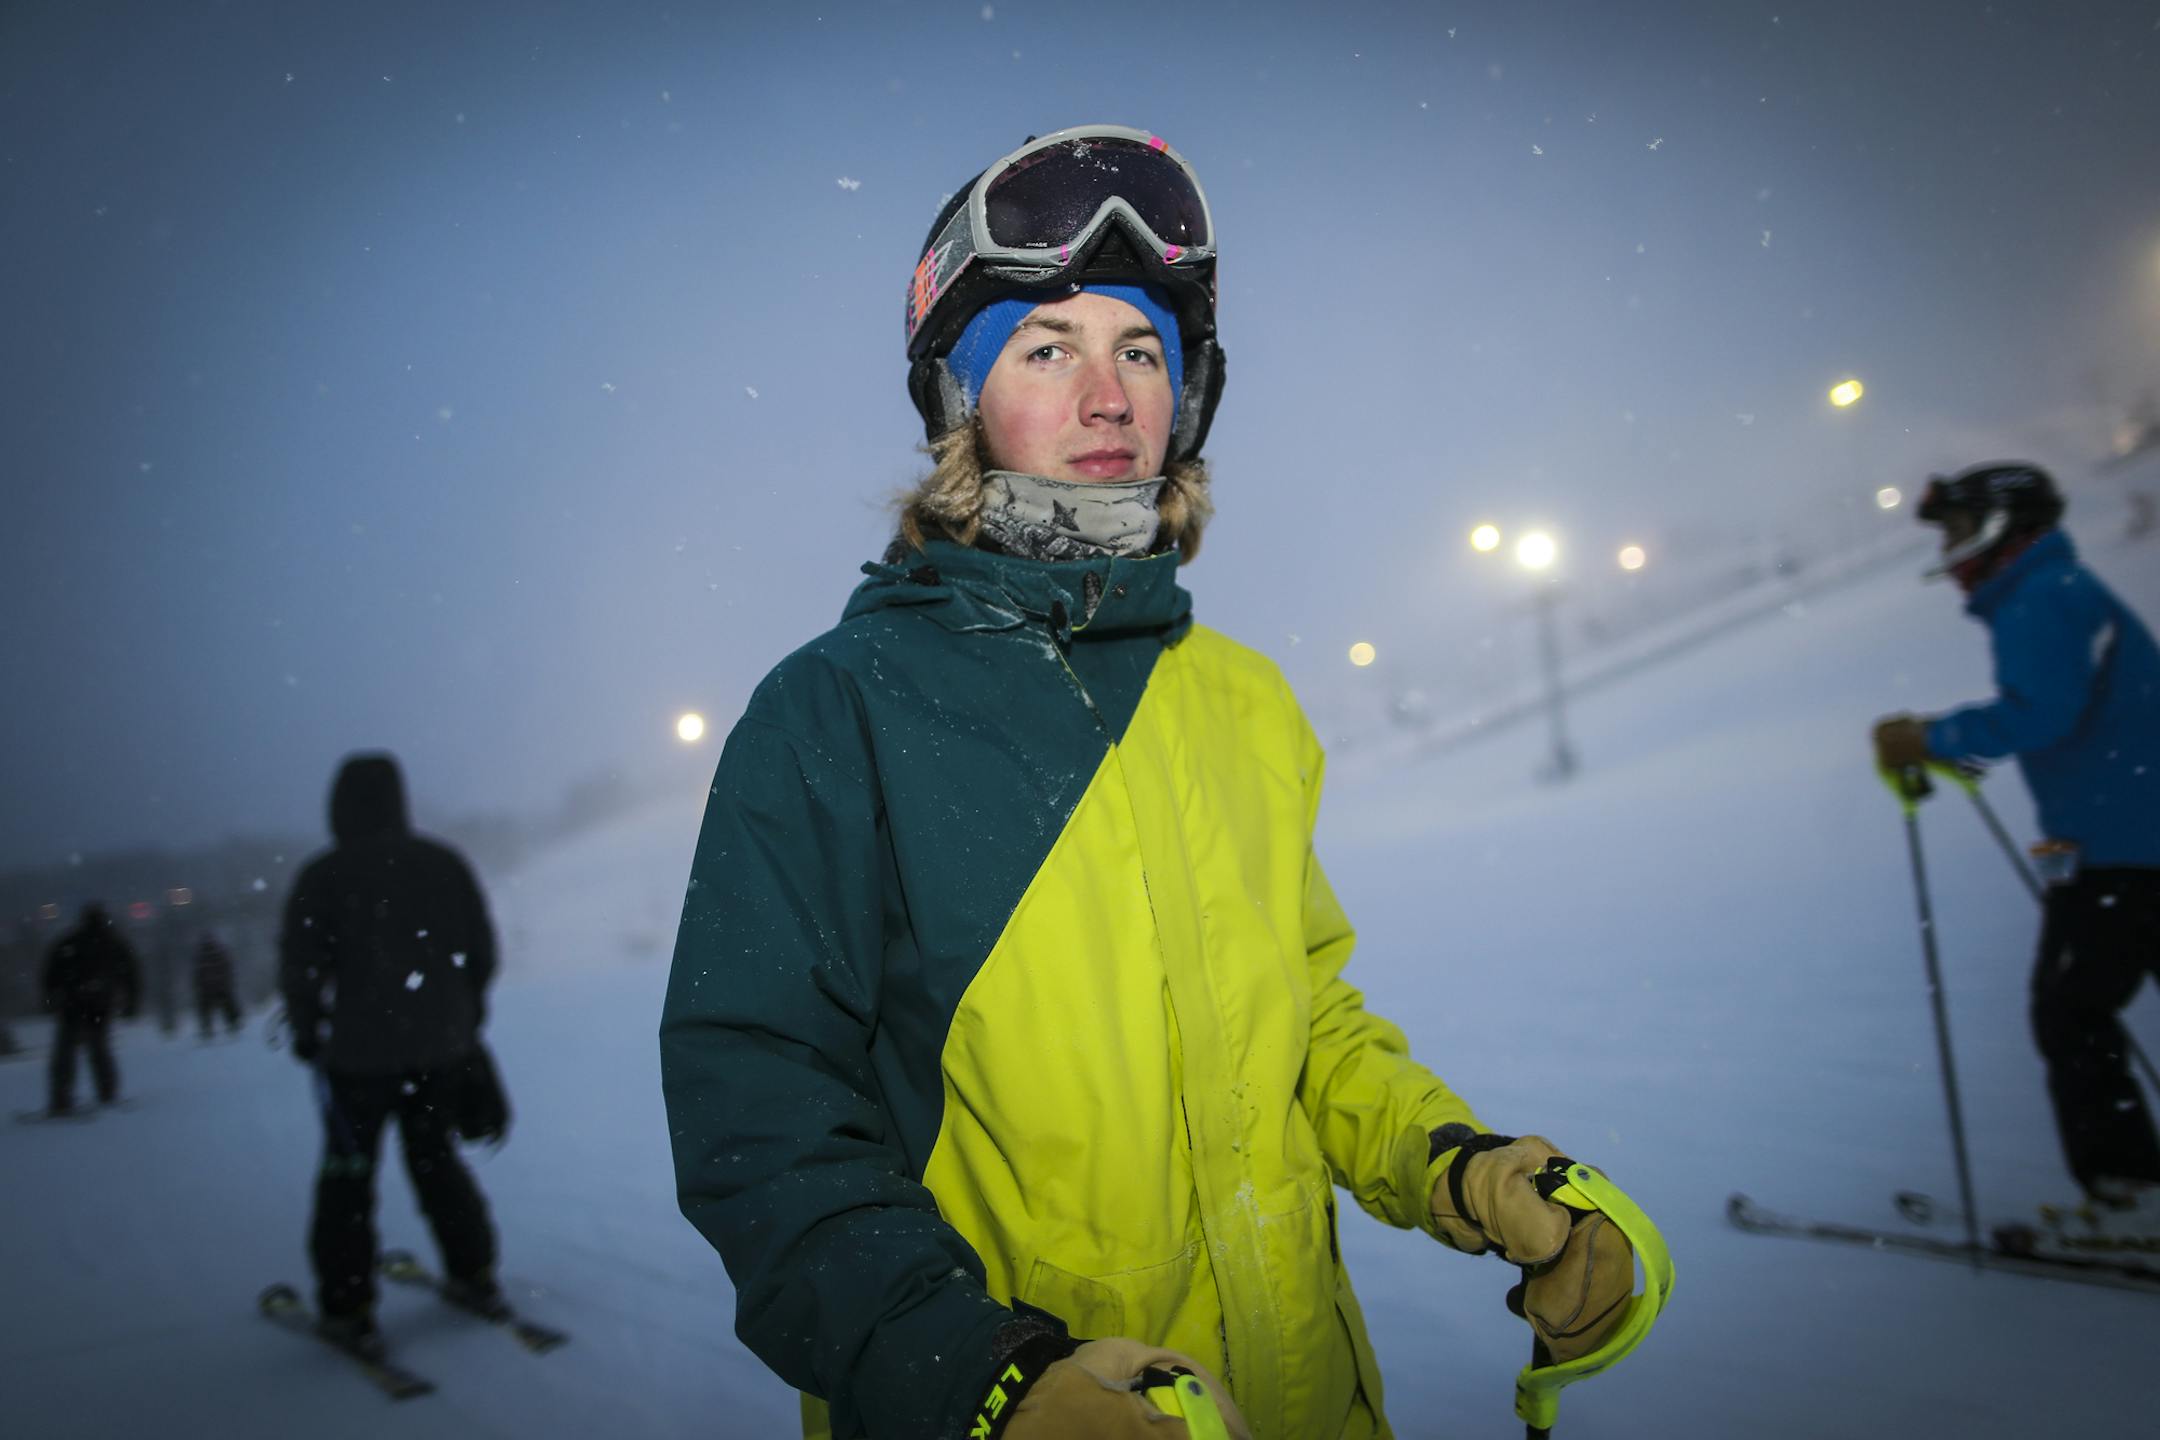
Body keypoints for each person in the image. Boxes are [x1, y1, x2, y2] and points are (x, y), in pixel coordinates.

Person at [661, 125, 1641, 1440]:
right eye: (1045, 348)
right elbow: (762, 1113)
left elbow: (1305, 1025)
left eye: (1141, 350)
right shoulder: (838, 710)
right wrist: (982, 1376)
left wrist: (1463, 1170)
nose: (1109, 396)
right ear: (961, 400)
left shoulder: (1241, 699)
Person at [1873, 461, 2160, 1211]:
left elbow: (2043, 713)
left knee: (2071, 1011)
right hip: (2129, 835)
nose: (1950, 550)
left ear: (2003, 527)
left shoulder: (2041, 597)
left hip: (2123, 849)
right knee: (2078, 1006)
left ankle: (2130, 1196)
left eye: (1959, 530)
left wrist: (1933, 737)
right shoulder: (2057, 589)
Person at [279, 752, 502, 1353]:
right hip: (439, 1052)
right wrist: (461, 1017)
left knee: (348, 1178)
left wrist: (308, 1029)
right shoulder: (443, 863)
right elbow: (481, 952)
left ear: (338, 806)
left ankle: (348, 1306)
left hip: (357, 1059)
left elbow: (300, 967)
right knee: (436, 1159)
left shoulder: (324, 876)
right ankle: (474, 1271)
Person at [40, 902, 141, 1114]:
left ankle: (61, 1097)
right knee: (98, 1049)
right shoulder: (113, 943)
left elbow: (51, 974)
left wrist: (49, 1000)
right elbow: (131, 975)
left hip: (73, 1004)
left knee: (66, 1051)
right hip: (98, 1005)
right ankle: (106, 1092)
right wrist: (131, 1003)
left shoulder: (71, 942)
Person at [193, 931, 243, 1040]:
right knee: (225, 1005)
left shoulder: (204, 955)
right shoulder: (217, 953)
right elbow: (227, 968)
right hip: (218, 987)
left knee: (212, 1008)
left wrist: (199, 985)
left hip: (211, 987)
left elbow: (198, 974)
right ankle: (231, 1023)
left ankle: (210, 1028)